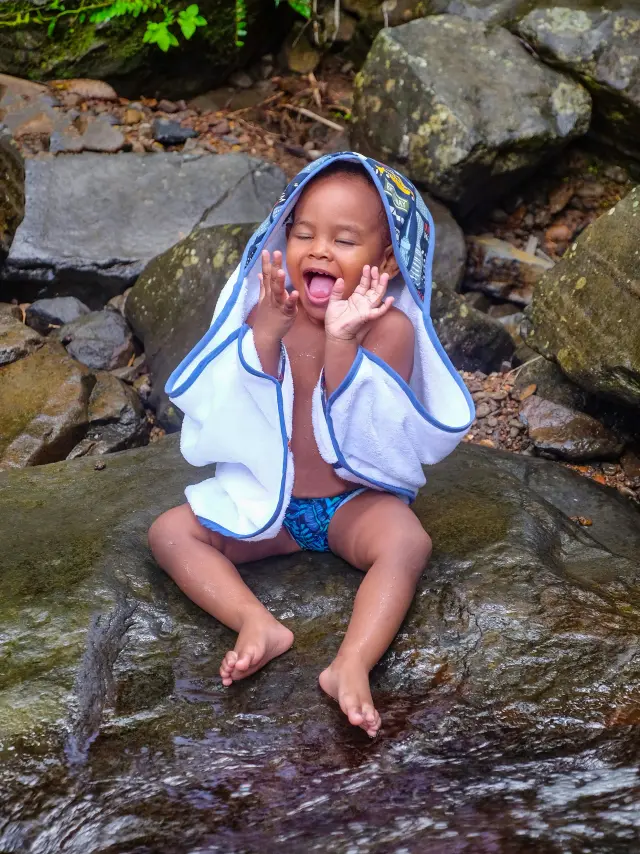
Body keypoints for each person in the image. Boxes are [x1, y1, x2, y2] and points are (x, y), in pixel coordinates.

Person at [148, 155, 474, 738]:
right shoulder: (272, 311)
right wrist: (267, 330)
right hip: (271, 506)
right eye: (304, 233)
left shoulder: (388, 329)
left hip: (352, 504)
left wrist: (343, 340)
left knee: (406, 540)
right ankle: (255, 622)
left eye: (344, 239)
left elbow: (367, 427)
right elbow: (246, 396)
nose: (319, 250)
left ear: (388, 262)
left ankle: (352, 661)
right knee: (170, 532)